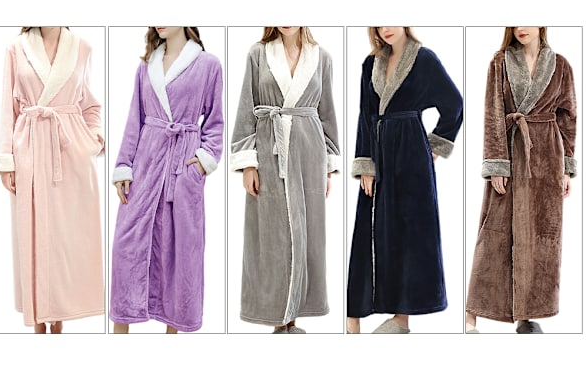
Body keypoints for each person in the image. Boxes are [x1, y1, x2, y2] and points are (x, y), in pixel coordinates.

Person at [347, 27, 463, 334]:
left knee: (409, 234)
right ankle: (352, 319)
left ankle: (401, 319)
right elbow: (364, 115)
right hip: (378, 153)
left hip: (411, 155)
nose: (386, 28)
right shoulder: (370, 63)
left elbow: (454, 104)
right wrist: (365, 162)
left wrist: (435, 146)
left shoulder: (424, 59)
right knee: (367, 230)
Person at [0, 26, 104, 333]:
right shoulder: (16, 47)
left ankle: (60, 320)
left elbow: (91, 106)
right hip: (29, 148)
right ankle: (40, 324)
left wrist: (93, 137)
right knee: (34, 234)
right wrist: (6, 161)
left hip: (69, 151)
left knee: (66, 238)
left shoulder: (82, 47)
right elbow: (8, 110)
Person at [111, 27, 223, 333]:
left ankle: (173, 331)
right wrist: (123, 166)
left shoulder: (208, 64)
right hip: (145, 166)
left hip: (181, 170)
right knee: (126, 248)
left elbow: (215, 122)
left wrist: (201, 163)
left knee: (180, 252)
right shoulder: (146, 65)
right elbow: (134, 119)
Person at [466, 27, 577, 333]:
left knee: (540, 239)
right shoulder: (500, 62)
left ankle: (527, 316)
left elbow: (568, 118)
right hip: (511, 153)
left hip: (547, 159)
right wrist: (497, 164)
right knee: (494, 233)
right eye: (515, 21)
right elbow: (493, 114)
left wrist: (566, 168)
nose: (521, 28)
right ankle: (472, 315)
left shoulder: (561, 65)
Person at [231, 27, 340, 333]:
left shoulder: (322, 57)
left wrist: (328, 165)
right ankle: (278, 318)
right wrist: (248, 163)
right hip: (269, 151)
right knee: (270, 235)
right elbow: (246, 109)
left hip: (309, 154)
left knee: (308, 233)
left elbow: (327, 114)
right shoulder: (258, 53)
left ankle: (294, 318)